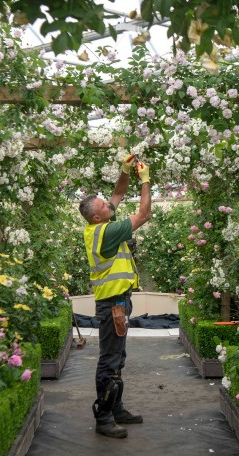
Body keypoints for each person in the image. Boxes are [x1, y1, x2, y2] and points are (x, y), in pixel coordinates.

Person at [78, 154, 152, 439]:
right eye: (104, 206)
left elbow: (118, 193)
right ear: (98, 217)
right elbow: (144, 214)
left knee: (118, 357)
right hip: (113, 305)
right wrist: (145, 182)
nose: (110, 205)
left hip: (119, 301)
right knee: (109, 359)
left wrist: (125, 171)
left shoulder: (98, 224)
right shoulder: (107, 232)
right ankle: (104, 417)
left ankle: (117, 407)